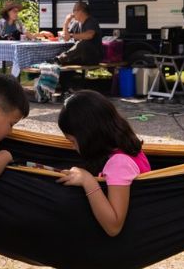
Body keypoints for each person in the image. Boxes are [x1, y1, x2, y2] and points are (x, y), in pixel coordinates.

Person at [55, 90, 151, 237]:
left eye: (73, 141)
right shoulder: (129, 148)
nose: (72, 147)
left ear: (88, 136)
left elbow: (114, 227)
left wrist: (88, 181)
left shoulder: (119, 163)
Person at [55, 0, 103, 64]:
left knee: (82, 43)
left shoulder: (91, 21)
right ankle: (59, 61)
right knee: (62, 51)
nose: (72, 13)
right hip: (80, 56)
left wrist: (72, 35)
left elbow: (89, 35)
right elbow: (66, 37)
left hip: (92, 57)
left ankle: (61, 58)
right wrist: (66, 22)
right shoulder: (76, 23)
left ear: (80, 11)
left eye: (74, 10)